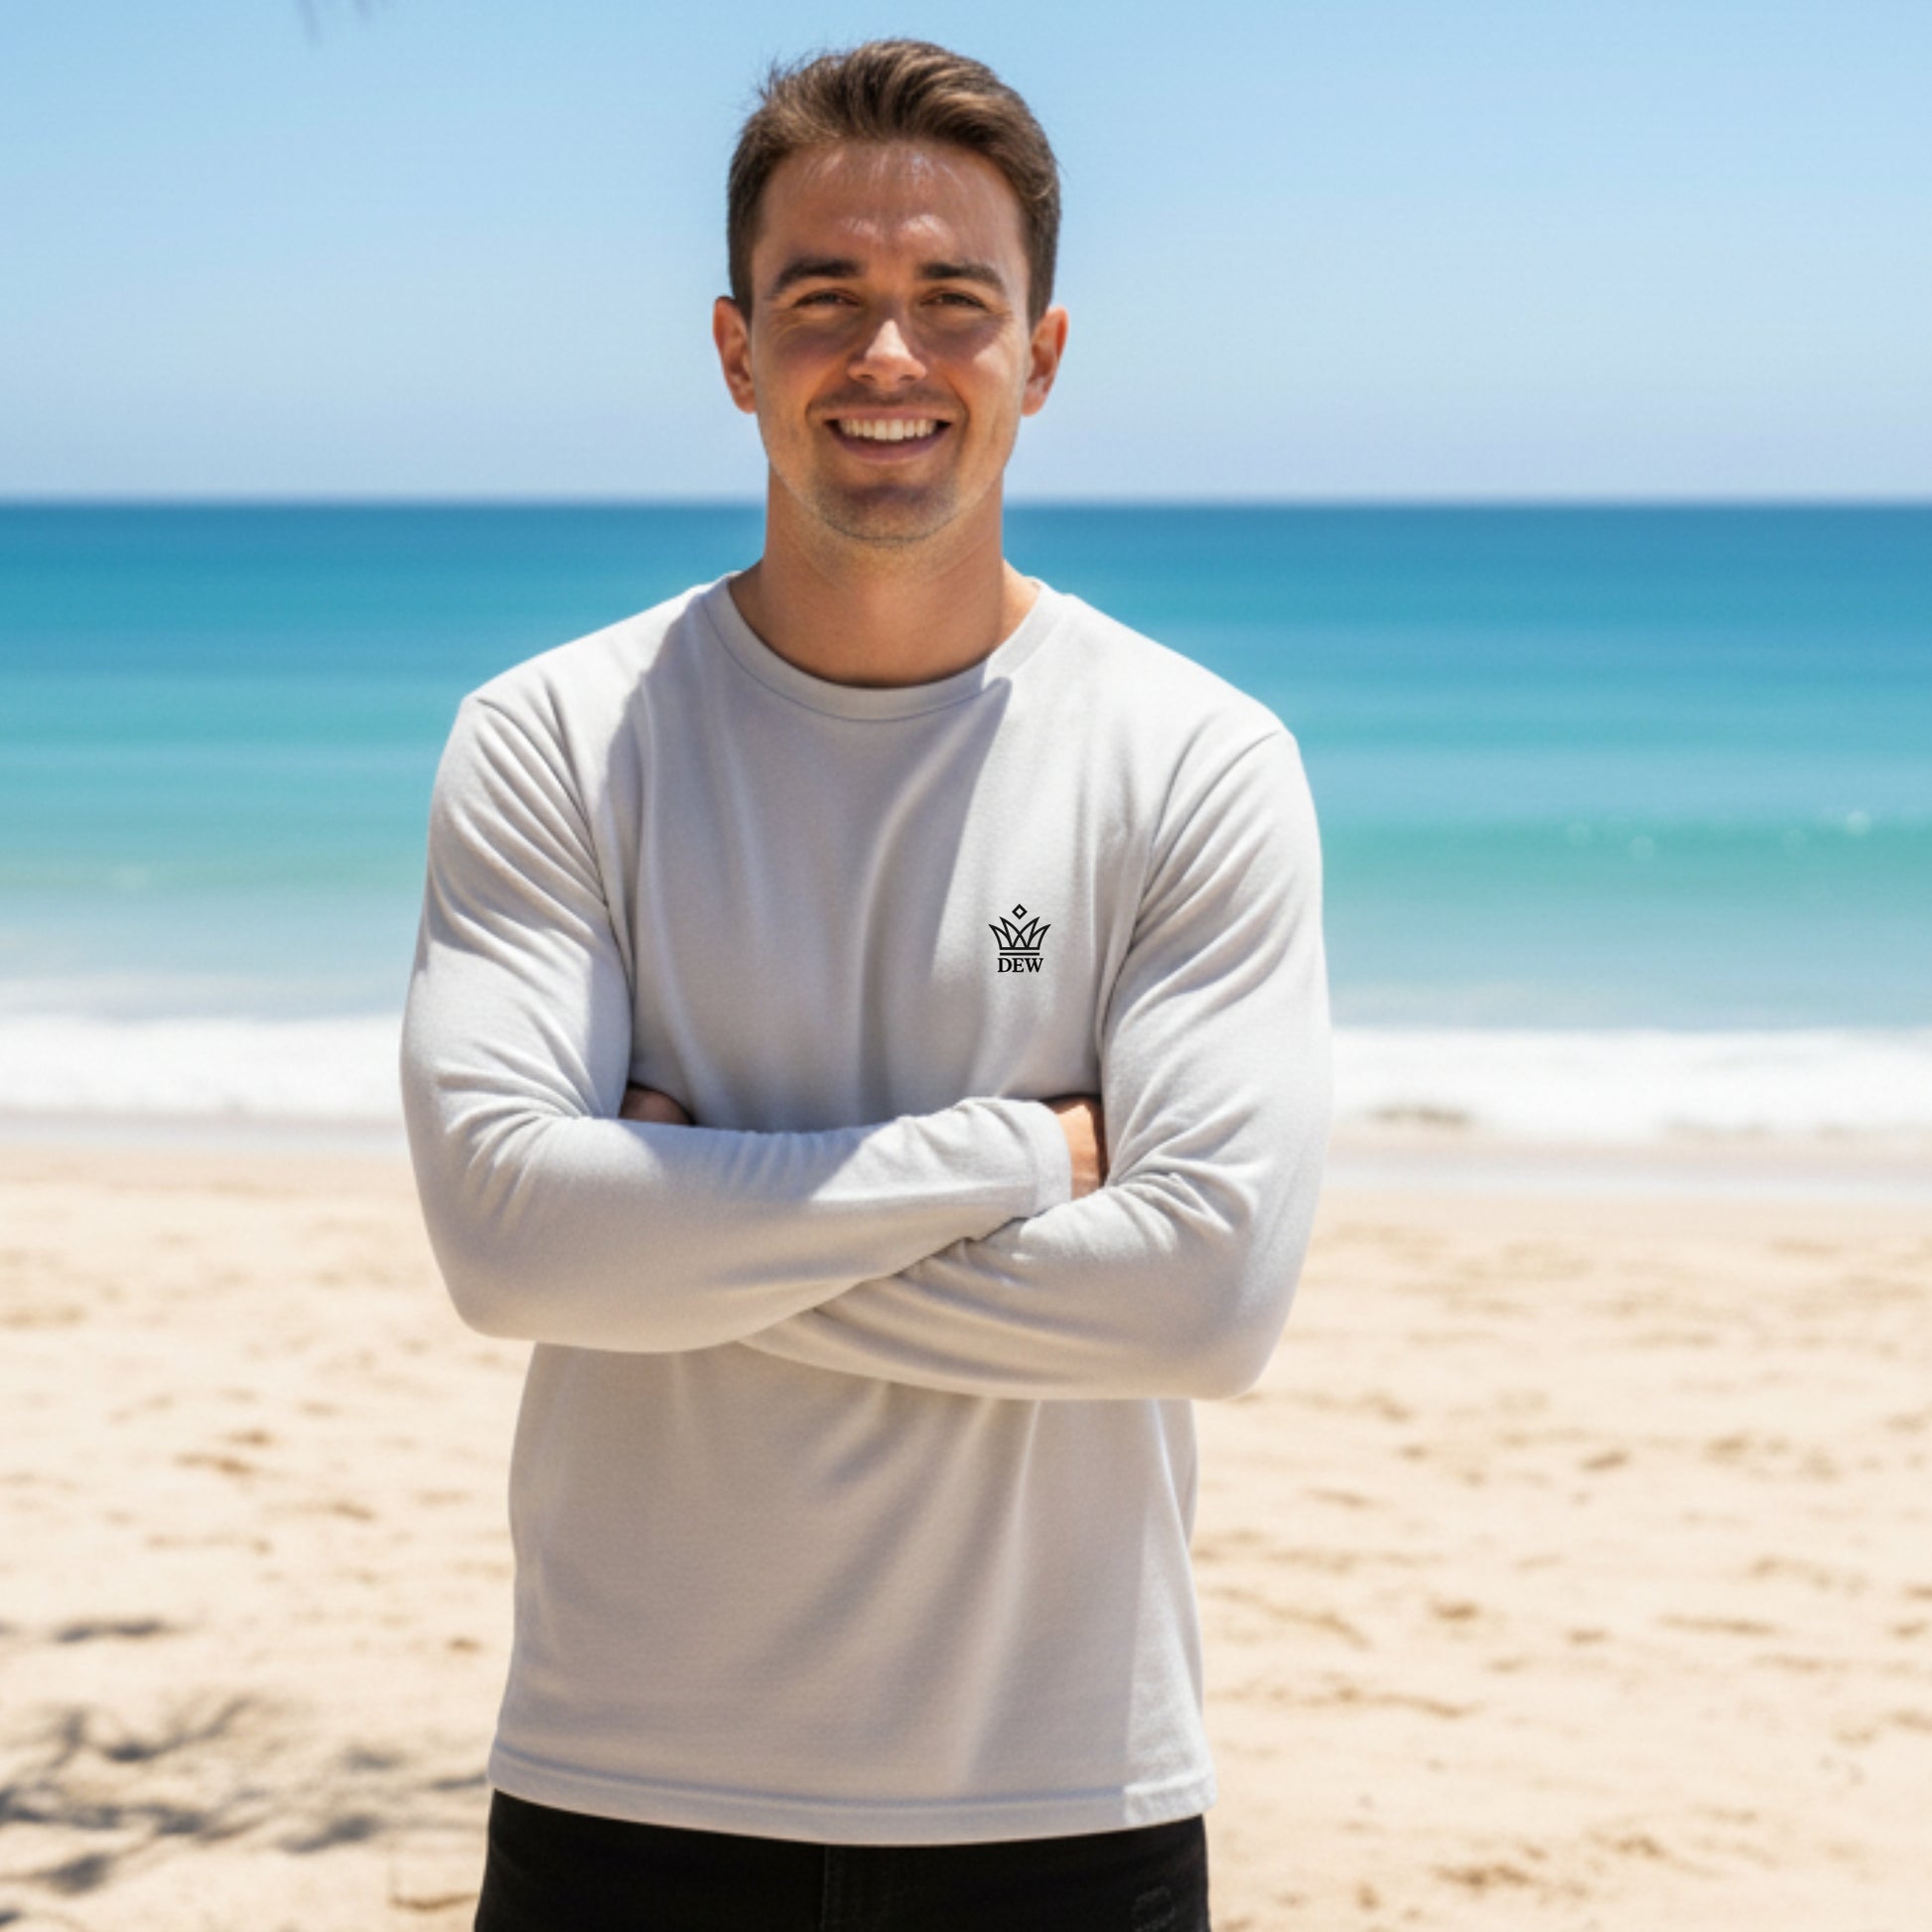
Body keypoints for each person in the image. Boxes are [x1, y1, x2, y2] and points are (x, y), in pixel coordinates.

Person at [401, 38, 1330, 1932]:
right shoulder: (559, 741)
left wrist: (679, 1233)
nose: (887, 357)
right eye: (825, 300)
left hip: (1060, 1787)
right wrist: (1008, 1153)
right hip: (619, 1778)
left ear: (1039, 360)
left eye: (950, 304)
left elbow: (1208, 1296)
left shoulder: (1189, 758)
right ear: (738, 350)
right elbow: (513, 1250)